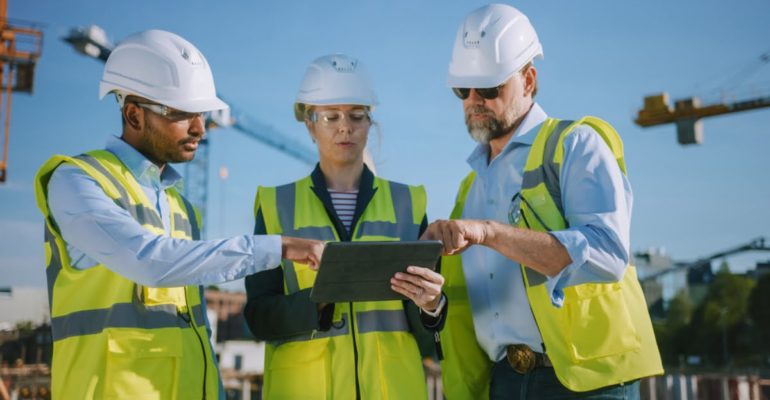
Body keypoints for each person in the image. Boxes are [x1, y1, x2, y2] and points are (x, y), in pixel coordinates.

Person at [33, 30, 324, 400]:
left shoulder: (180, 207)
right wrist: (278, 247)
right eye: (181, 113)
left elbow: (197, 327)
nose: (200, 127)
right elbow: (150, 260)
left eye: (200, 113)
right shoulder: (76, 182)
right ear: (134, 114)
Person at [424, 4, 664, 400]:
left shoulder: (575, 145)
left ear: (529, 80)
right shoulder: (470, 188)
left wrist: (489, 233)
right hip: (503, 382)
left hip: (587, 384)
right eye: (461, 90)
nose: (473, 100)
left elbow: (607, 254)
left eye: (488, 89)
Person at [243, 54, 447, 400]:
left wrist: (432, 307)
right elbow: (260, 317)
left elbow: (428, 338)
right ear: (310, 124)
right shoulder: (276, 206)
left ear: (370, 123)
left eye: (356, 116)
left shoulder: (408, 204)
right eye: (330, 116)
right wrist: (317, 305)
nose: (345, 127)